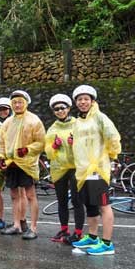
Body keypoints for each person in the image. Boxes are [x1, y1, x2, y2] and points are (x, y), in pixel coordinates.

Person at [70, 85, 121, 256]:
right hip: (83, 170)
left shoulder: (100, 117)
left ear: (92, 101)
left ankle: (107, 244)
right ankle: (92, 237)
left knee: (103, 205)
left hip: (97, 169)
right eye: (79, 99)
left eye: (86, 99)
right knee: (90, 204)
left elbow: (112, 136)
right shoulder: (78, 121)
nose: (83, 102)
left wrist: (112, 154)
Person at [0, 90, 45, 239]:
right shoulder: (8, 122)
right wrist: (1, 157)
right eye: (15, 102)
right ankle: (17, 224)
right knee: (13, 195)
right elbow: (1, 141)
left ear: (26, 103)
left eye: (20, 102)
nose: (17, 105)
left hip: (27, 163)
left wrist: (28, 149)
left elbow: (41, 142)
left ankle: (33, 227)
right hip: (11, 163)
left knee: (30, 195)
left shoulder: (34, 120)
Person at [44, 94, 84, 244]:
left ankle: (78, 232)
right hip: (59, 167)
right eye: (56, 109)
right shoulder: (52, 128)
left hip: (76, 166)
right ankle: (64, 229)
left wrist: (76, 142)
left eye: (63, 108)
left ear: (68, 108)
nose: (60, 111)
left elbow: (87, 145)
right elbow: (47, 151)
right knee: (61, 200)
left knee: (76, 199)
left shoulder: (78, 124)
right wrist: (54, 146)